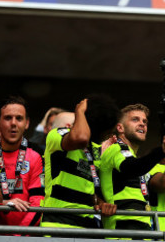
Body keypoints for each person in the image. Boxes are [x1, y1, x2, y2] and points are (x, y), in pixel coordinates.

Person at [41, 95, 119, 228]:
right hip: (58, 223)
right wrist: (80, 112)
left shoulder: (94, 149)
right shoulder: (57, 135)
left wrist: (100, 203)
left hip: (87, 226)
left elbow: (88, 189)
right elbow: (81, 138)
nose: (108, 134)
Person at [100, 104, 165, 230]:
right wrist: (162, 151)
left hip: (139, 230)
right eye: (135, 119)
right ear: (120, 127)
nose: (142, 124)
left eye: (145, 121)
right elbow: (132, 168)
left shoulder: (132, 156)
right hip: (122, 232)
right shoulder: (116, 148)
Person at [0, 96, 44, 226]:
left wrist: (20, 235)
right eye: (7, 118)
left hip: (25, 239)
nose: (13, 123)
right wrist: (2, 203)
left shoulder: (37, 155)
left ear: (27, 123)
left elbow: (38, 201)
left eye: (19, 118)